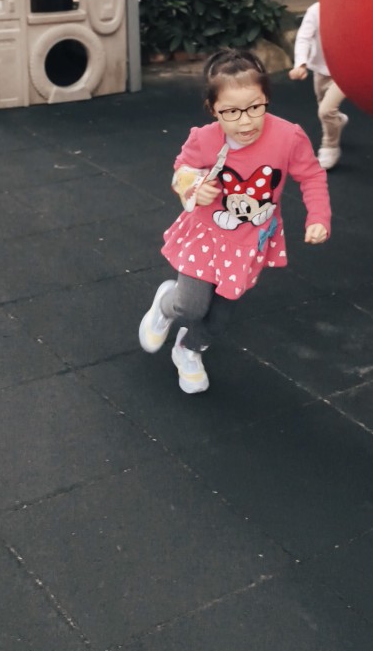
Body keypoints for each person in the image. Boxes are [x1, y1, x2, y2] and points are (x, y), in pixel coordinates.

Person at [139, 48, 331, 394]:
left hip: (247, 242)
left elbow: (312, 175)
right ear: (213, 109)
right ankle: (166, 305)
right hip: (207, 234)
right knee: (191, 306)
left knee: (218, 318)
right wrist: (195, 186)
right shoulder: (204, 139)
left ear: (266, 99)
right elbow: (181, 171)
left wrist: (318, 216)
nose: (245, 122)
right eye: (231, 112)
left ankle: (188, 349)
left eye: (255, 107)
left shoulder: (288, 137)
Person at [288, 0, 349, 170]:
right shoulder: (316, 10)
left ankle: (330, 146)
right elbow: (304, 38)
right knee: (324, 107)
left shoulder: (352, 8)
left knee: (326, 111)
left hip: (344, 72)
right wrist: (300, 63)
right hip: (321, 70)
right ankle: (337, 121)